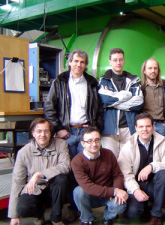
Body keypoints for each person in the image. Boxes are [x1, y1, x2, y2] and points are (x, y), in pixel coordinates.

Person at [44, 49, 104, 221]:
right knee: (70, 171)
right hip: (68, 133)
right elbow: (49, 107)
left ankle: (83, 204)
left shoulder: (92, 83)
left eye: (82, 62)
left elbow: (99, 109)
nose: (79, 64)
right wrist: (57, 128)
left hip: (86, 133)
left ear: (85, 65)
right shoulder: (60, 81)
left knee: (86, 169)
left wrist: (96, 128)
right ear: (69, 62)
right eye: (76, 61)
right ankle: (72, 207)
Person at [8, 118, 70, 225]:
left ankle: (56, 218)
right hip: (34, 189)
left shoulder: (61, 144)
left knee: (62, 179)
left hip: (53, 188)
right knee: (23, 208)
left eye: (46, 131)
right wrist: (14, 215)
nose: (43, 134)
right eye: (39, 131)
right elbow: (17, 182)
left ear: (51, 133)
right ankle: (39, 214)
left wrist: (39, 174)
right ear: (33, 133)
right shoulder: (23, 152)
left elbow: (65, 166)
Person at [118, 113, 165, 225]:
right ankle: (145, 205)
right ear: (136, 128)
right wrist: (135, 190)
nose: (144, 130)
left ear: (153, 127)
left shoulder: (164, 143)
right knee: (133, 213)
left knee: (164, 174)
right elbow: (126, 175)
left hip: (155, 184)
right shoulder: (128, 147)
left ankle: (156, 214)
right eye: (141, 127)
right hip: (137, 184)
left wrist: (152, 166)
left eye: (147, 126)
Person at [71, 127, 128, 225]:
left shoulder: (108, 154)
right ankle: (87, 219)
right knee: (78, 192)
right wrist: (114, 191)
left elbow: (117, 175)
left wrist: (117, 189)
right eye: (89, 141)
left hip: (108, 195)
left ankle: (107, 218)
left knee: (120, 205)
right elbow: (88, 187)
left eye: (97, 140)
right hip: (90, 196)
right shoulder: (76, 161)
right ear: (83, 143)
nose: (94, 144)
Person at [98, 48, 144, 158]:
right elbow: (104, 100)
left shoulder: (133, 81)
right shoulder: (103, 81)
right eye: (115, 60)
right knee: (110, 161)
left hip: (129, 128)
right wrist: (127, 95)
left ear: (124, 61)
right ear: (110, 62)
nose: (118, 63)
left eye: (120, 59)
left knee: (128, 160)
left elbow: (138, 103)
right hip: (109, 129)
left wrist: (113, 102)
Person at [140, 58, 165, 141]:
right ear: (144, 71)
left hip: (161, 125)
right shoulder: (139, 87)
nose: (153, 71)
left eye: (155, 68)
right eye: (150, 68)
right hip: (145, 126)